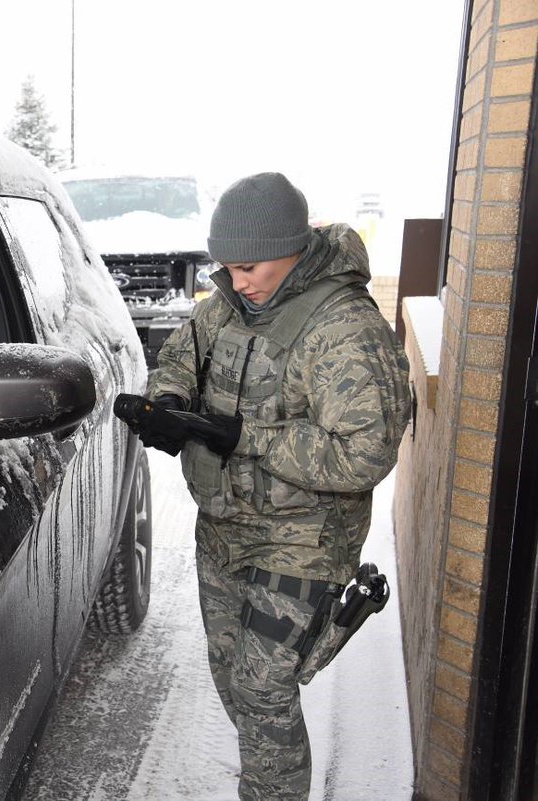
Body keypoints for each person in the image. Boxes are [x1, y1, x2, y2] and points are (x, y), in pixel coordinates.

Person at [130, 172, 411, 800]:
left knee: (264, 693)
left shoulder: (344, 329)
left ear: (293, 246)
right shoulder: (228, 306)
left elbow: (364, 454)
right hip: (225, 529)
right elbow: (179, 357)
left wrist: (244, 436)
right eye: (226, 268)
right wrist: (169, 406)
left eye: (249, 266)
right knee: (233, 679)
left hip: (302, 543)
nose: (236, 281)